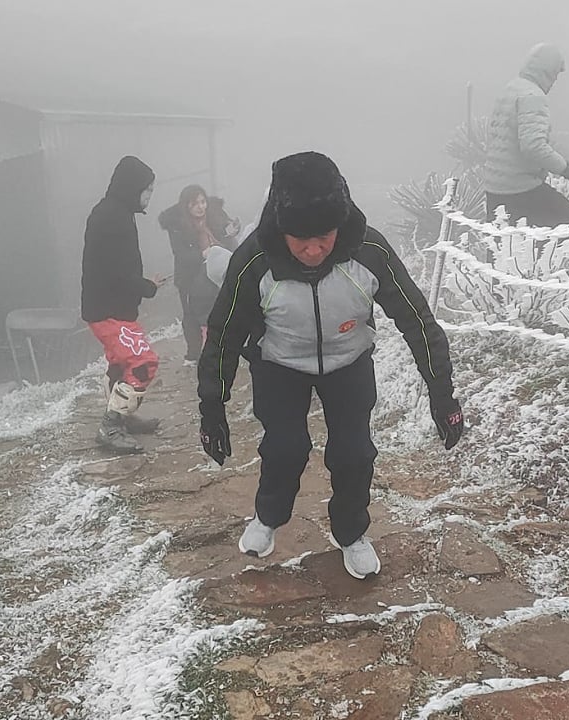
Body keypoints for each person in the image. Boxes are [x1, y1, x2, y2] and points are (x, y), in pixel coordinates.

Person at [196, 151, 465, 579]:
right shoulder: (254, 260)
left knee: (354, 454)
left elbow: (417, 319)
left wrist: (442, 394)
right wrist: (212, 406)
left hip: (348, 360)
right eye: (300, 238)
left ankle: (352, 534)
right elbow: (224, 332)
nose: (314, 249)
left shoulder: (368, 250)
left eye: (324, 236)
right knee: (285, 449)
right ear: (281, 229)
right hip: (279, 363)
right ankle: (268, 518)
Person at [81, 155, 164, 454]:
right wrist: (147, 287)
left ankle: (123, 418)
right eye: (147, 190)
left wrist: (141, 285)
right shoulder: (112, 218)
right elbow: (115, 271)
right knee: (143, 363)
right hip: (109, 311)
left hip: (106, 307)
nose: (149, 197)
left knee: (120, 363)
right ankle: (111, 426)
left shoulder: (114, 212)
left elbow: (116, 268)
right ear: (131, 187)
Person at [482, 43, 569, 228]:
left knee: (501, 244)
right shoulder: (533, 96)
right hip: (519, 188)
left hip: (495, 187)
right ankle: (547, 258)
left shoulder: (511, 88)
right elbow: (533, 147)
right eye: (555, 75)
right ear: (546, 72)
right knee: (567, 219)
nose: (555, 81)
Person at [159, 185, 241, 362]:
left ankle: (223, 347)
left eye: (203, 202)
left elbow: (227, 233)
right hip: (190, 275)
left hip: (217, 270)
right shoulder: (177, 224)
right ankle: (193, 355)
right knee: (191, 316)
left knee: (221, 308)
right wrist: (202, 254)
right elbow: (180, 253)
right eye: (195, 204)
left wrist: (232, 230)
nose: (200, 207)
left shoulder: (216, 213)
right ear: (186, 206)